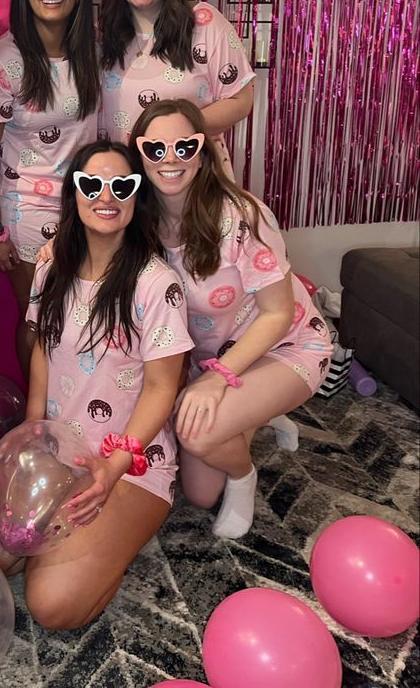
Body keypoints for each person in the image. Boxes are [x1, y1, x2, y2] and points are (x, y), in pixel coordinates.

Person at [129, 99, 332, 539]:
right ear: (139, 154)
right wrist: (57, 249)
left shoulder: (241, 214)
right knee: (200, 494)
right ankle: (260, 410)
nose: (170, 159)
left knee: (199, 437)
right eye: (155, 148)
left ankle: (245, 477)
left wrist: (218, 378)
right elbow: (93, 243)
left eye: (184, 146)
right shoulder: (139, 223)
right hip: (218, 360)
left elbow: (278, 314)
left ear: (201, 154)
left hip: (286, 344)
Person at [20, 140, 192, 630]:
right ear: (74, 192)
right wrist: (33, 434)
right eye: (92, 184)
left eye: (122, 185)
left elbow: (162, 388)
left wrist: (111, 471)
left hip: (131, 465)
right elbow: (41, 348)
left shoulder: (156, 283)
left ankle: (113, 549)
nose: (107, 195)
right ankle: (81, 549)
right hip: (60, 452)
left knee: (52, 606)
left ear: (137, 195)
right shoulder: (52, 262)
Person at [0, 0, 99, 378]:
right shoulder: (6, 58)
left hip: (89, 209)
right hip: (27, 215)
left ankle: (72, 414)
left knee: (79, 320)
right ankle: (38, 421)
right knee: (41, 322)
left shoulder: (93, 53)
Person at [98, 0, 254, 178]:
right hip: (127, 184)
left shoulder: (204, 23)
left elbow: (241, 100)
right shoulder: (102, 37)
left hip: (193, 180)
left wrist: (175, 133)